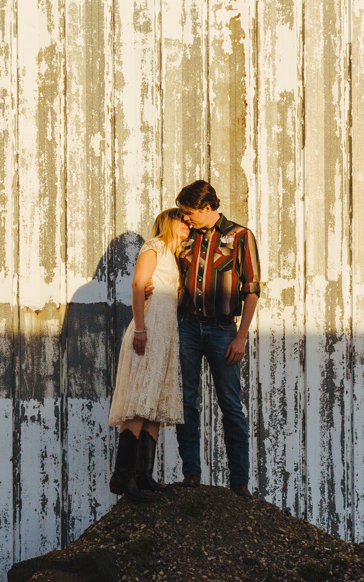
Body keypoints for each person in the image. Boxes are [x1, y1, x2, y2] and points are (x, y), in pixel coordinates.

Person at [173, 180, 261, 498]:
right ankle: (191, 475)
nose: (185, 218)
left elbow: (252, 290)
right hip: (187, 327)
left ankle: (239, 482)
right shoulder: (185, 238)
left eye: (189, 212)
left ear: (206, 208)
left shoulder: (240, 237)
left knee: (230, 405)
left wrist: (241, 337)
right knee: (186, 402)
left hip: (223, 330)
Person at [107, 208, 189, 502]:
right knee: (140, 399)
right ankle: (123, 475)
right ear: (169, 222)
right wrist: (140, 328)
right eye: (183, 221)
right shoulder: (154, 246)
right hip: (149, 330)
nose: (188, 226)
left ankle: (143, 475)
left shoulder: (173, 257)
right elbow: (138, 284)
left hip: (166, 335)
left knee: (154, 403)